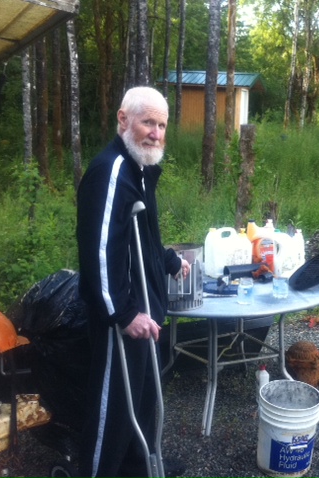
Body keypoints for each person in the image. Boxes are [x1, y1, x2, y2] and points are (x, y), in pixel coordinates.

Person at [76, 86, 189, 478]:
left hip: (143, 306)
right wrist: (123, 313)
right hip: (120, 313)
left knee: (140, 396)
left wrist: (169, 260)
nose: (156, 133)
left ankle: (137, 467)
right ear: (123, 120)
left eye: (161, 125)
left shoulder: (139, 168)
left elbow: (140, 237)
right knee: (114, 405)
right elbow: (99, 251)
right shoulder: (111, 172)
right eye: (148, 122)